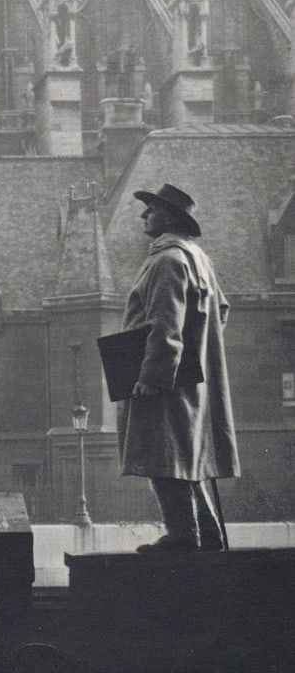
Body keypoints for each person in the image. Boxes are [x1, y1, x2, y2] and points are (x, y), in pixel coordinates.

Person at [117, 183, 239, 553]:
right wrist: (197, 348)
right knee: (187, 456)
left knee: (162, 455)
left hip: (161, 376)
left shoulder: (166, 260)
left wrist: (152, 377)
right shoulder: (199, 259)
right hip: (191, 377)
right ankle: (209, 534)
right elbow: (220, 311)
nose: (144, 214)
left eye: (151, 208)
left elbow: (164, 324)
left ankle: (183, 535)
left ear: (169, 217)